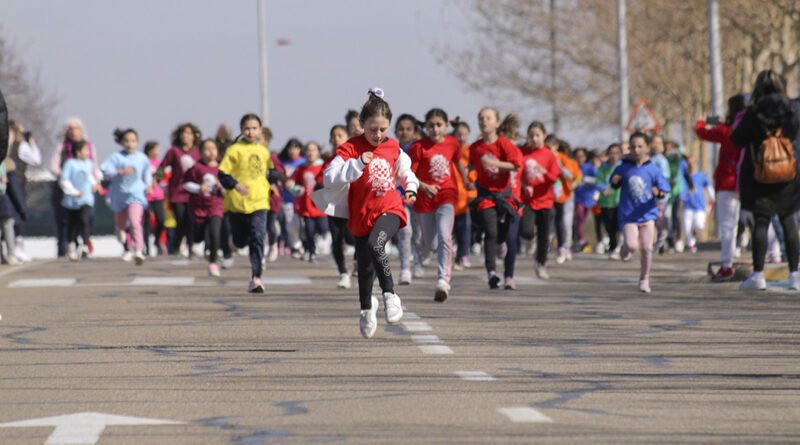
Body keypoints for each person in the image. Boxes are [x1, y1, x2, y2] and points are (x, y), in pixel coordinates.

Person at [323, 88, 419, 338]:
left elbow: (405, 170)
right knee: (364, 268)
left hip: (390, 208)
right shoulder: (351, 148)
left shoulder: (393, 147)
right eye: (372, 129)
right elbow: (329, 177)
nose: (378, 135)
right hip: (362, 214)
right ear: (361, 124)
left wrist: (410, 188)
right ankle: (367, 308)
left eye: (383, 129)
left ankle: (390, 295)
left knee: (378, 245)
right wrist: (356, 164)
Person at [730, 69, 800, 291]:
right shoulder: (793, 108)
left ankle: (758, 275)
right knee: (789, 221)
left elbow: (737, 139)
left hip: (760, 173)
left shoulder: (754, 111)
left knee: (762, 221)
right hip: (789, 173)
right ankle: (795, 274)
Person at [408, 108, 469, 301]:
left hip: (447, 195)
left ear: (446, 125)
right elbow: (409, 175)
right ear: (425, 127)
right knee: (430, 243)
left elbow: (459, 163)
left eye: (439, 125)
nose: (435, 129)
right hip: (425, 199)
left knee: (445, 235)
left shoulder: (452, 143)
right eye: (431, 125)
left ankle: (443, 280)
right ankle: (424, 250)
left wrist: (467, 180)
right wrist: (424, 186)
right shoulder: (419, 147)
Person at [218, 113, 274, 293]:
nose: (250, 132)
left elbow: (269, 172)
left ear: (260, 130)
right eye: (247, 128)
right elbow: (223, 175)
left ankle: (256, 278)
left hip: (259, 202)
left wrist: (276, 180)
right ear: (242, 130)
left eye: (254, 128)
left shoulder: (264, 151)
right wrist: (236, 185)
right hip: (238, 203)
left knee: (257, 237)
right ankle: (234, 241)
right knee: (241, 241)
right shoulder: (234, 150)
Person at [468, 107, 523, 289]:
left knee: (503, 235)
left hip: (504, 195)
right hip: (485, 195)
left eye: (488, 118)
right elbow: (470, 167)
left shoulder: (504, 144)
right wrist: (469, 180)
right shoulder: (475, 147)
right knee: (490, 232)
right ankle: (491, 272)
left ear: (497, 123)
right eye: (481, 118)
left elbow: (515, 166)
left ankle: (502, 249)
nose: (484, 121)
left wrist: (494, 163)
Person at [610, 132, 671, 293]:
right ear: (629, 148)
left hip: (647, 213)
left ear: (647, 148)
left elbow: (664, 186)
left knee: (646, 248)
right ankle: (625, 251)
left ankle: (644, 279)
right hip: (629, 214)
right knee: (631, 245)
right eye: (633, 147)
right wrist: (615, 181)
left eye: (640, 146)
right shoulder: (623, 167)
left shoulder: (652, 168)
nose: (636, 150)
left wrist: (660, 192)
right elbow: (613, 181)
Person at [695, 94, 746, 281]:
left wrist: (700, 122)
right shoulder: (752, 129)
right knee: (762, 221)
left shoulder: (726, 131)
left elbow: (703, 133)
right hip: (750, 183)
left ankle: (727, 265)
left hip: (728, 183)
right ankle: (775, 256)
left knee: (728, 226)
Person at [50, 118, 101, 258]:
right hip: (67, 191)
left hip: (85, 192)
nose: (73, 131)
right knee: (68, 222)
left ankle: (85, 243)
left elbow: (93, 169)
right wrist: (69, 181)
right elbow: (54, 168)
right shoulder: (63, 148)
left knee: (86, 218)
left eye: (76, 128)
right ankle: (67, 248)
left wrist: (96, 182)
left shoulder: (89, 147)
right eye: (70, 128)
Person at [101, 128, 153, 265]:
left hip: (136, 194)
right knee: (121, 225)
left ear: (137, 142)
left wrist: (148, 185)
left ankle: (139, 250)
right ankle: (122, 238)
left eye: (133, 141)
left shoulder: (142, 158)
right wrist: (121, 172)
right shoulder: (116, 158)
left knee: (135, 222)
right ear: (122, 142)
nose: (130, 144)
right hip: (119, 195)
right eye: (127, 141)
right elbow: (105, 173)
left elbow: (147, 173)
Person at [519, 121, 560, 282]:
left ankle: (541, 263)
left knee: (544, 235)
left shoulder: (548, 154)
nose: (534, 139)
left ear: (544, 135)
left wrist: (545, 172)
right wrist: (524, 187)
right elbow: (517, 174)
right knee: (526, 231)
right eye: (531, 136)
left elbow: (554, 176)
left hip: (545, 200)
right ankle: (530, 239)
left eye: (537, 135)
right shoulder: (522, 153)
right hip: (528, 200)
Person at [157, 123, 201, 256]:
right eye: (182, 133)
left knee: (192, 220)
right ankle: (175, 246)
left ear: (194, 136)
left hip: (195, 192)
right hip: (177, 193)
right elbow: (162, 167)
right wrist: (155, 180)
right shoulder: (174, 151)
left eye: (188, 133)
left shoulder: (199, 151)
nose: (185, 136)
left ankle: (191, 246)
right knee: (181, 220)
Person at [184, 139, 225, 277]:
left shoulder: (223, 168)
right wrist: (197, 188)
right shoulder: (196, 168)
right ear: (201, 152)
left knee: (215, 232)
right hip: (199, 206)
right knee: (199, 234)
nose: (211, 151)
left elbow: (231, 188)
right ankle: (196, 244)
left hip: (216, 205)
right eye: (207, 149)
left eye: (213, 148)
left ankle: (213, 263)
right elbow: (186, 184)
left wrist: (223, 187)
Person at [286, 141, 328, 263]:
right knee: (309, 231)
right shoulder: (301, 168)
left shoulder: (323, 166)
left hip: (321, 206)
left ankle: (317, 239)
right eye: (308, 150)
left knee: (323, 228)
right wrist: (296, 189)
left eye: (313, 150)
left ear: (318, 152)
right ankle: (312, 252)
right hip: (306, 206)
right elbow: (293, 183)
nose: (310, 153)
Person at [395, 113, 424, 283]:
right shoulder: (392, 149)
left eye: (408, 129)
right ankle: (405, 268)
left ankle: (418, 262)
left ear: (414, 132)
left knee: (419, 235)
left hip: (419, 197)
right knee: (405, 232)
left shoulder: (420, 148)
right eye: (401, 129)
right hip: (399, 196)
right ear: (396, 131)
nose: (404, 132)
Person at [59, 141, 99, 261]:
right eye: (86, 150)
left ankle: (85, 246)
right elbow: (64, 181)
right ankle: (71, 246)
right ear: (78, 152)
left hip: (86, 199)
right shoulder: (70, 164)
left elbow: (89, 177)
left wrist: (95, 184)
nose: (88, 152)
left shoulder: (89, 163)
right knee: (72, 225)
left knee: (84, 220)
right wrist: (75, 193)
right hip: (71, 201)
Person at [552, 137, 582, 264]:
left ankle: (565, 247)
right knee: (555, 224)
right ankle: (559, 247)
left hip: (567, 196)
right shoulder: (548, 157)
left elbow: (576, 175)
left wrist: (575, 183)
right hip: (552, 196)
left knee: (566, 223)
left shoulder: (567, 160)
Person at [451, 120, 475, 270]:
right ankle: (453, 252)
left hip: (466, 196)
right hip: (451, 195)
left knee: (465, 227)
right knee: (451, 229)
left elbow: (475, 173)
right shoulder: (450, 150)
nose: (461, 137)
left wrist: (472, 191)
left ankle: (462, 254)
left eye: (464, 134)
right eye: (458, 134)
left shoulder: (471, 151)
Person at [277, 138, 306, 259]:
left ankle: (306, 245)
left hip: (304, 200)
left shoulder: (304, 162)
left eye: (295, 147)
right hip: (288, 200)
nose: (292, 150)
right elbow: (280, 182)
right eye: (290, 148)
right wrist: (285, 175)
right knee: (290, 226)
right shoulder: (283, 164)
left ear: (300, 149)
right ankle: (296, 246)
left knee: (304, 225)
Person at [682, 156, 715, 253]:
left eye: (693, 162)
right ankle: (691, 245)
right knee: (687, 228)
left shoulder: (701, 176)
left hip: (699, 205)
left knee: (699, 224)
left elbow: (708, 186)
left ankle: (692, 239)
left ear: (696, 163)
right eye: (689, 163)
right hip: (687, 205)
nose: (691, 165)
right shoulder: (684, 176)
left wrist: (712, 196)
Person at [596, 143, 623, 259]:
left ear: (620, 154)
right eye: (611, 153)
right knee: (609, 226)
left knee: (618, 225)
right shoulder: (603, 168)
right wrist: (603, 188)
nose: (613, 156)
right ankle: (613, 247)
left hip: (620, 201)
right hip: (606, 202)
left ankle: (617, 245)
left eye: (616, 153)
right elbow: (597, 182)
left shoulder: (623, 167)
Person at [0, 158, 26, 265]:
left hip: (5, 205)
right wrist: (22, 209)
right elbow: (14, 191)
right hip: (5, 203)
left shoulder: (5, 166)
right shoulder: (6, 167)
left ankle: (9, 254)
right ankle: (11, 254)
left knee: (7, 229)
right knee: (8, 230)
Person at [143, 141, 167, 256]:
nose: (158, 152)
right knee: (147, 222)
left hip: (158, 196)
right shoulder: (143, 162)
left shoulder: (160, 163)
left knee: (161, 220)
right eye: (156, 149)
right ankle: (146, 248)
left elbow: (163, 177)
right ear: (150, 151)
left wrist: (156, 180)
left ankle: (157, 240)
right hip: (145, 196)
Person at [572, 148, 597, 252]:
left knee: (582, 219)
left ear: (586, 157)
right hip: (577, 198)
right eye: (577, 156)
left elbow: (598, 179)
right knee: (579, 216)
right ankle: (579, 239)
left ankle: (579, 238)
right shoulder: (574, 166)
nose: (580, 159)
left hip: (588, 198)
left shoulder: (590, 167)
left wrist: (585, 179)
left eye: (582, 156)